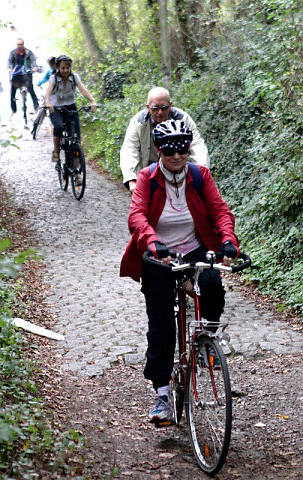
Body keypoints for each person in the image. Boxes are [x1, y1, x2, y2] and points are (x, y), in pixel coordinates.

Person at [120, 119, 239, 425]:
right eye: (169, 150)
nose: (176, 156)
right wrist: (152, 241)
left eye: (182, 149)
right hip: (159, 254)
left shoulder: (200, 176)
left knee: (212, 285)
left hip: (194, 248)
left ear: (189, 148)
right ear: (159, 150)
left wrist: (227, 240)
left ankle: (207, 339)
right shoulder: (148, 177)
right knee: (161, 327)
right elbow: (137, 215)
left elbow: (220, 211)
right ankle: (161, 395)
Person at [120, 87, 210, 193]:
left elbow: (197, 145)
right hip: (149, 172)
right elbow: (130, 150)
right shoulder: (138, 123)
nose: (160, 112)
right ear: (148, 108)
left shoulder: (182, 119)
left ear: (170, 105)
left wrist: (202, 174)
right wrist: (132, 180)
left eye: (164, 107)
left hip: (178, 171)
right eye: (155, 108)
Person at [45, 54, 97, 163]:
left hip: (71, 107)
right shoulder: (53, 78)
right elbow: (48, 92)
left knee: (76, 137)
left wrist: (92, 101)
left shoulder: (74, 77)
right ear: (58, 68)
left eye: (67, 68)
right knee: (58, 127)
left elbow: (83, 90)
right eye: (63, 68)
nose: (65, 70)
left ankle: (76, 166)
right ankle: (56, 150)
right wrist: (48, 103)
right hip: (56, 108)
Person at [7, 38, 39, 114]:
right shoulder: (13, 52)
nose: (20, 46)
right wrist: (9, 68)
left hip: (26, 73)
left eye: (21, 44)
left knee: (31, 90)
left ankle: (36, 107)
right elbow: (9, 61)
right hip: (16, 74)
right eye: (18, 44)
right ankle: (13, 109)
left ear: (23, 44)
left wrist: (34, 67)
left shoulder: (28, 52)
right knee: (13, 92)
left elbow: (33, 60)